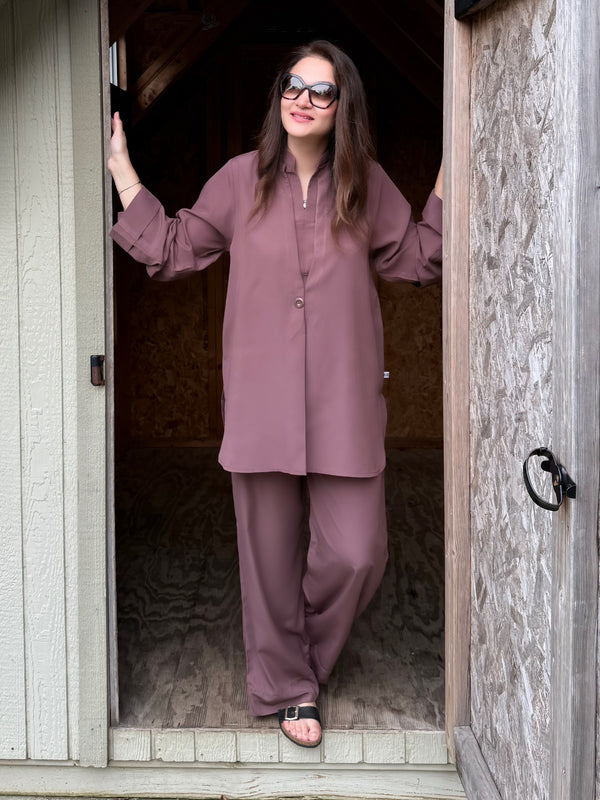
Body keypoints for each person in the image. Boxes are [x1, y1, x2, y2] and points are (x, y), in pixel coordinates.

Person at [108, 39, 443, 749]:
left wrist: (452, 180)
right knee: (266, 559)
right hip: (262, 405)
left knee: (358, 552)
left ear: (341, 106)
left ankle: (302, 661)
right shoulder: (238, 181)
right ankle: (290, 689)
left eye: (321, 91)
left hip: (344, 405)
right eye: (293, 84)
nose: (303, 98)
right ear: (279, 95)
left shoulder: (365, 183)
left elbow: (414, 259)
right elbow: (171, 250)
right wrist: (121, 169)